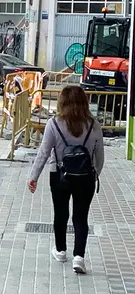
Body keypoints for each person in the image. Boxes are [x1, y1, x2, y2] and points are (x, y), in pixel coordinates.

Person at [28, 85, 104, 274]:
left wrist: (33, 177)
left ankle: (61, 250)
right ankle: (79, 257)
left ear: (61, 102)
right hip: (86, 176)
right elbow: (100, 156)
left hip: (59, 175)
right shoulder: (94, 125)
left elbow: (44, 153)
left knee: (60, 213)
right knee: (81, 216)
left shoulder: (53, 124)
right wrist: (95, 175)